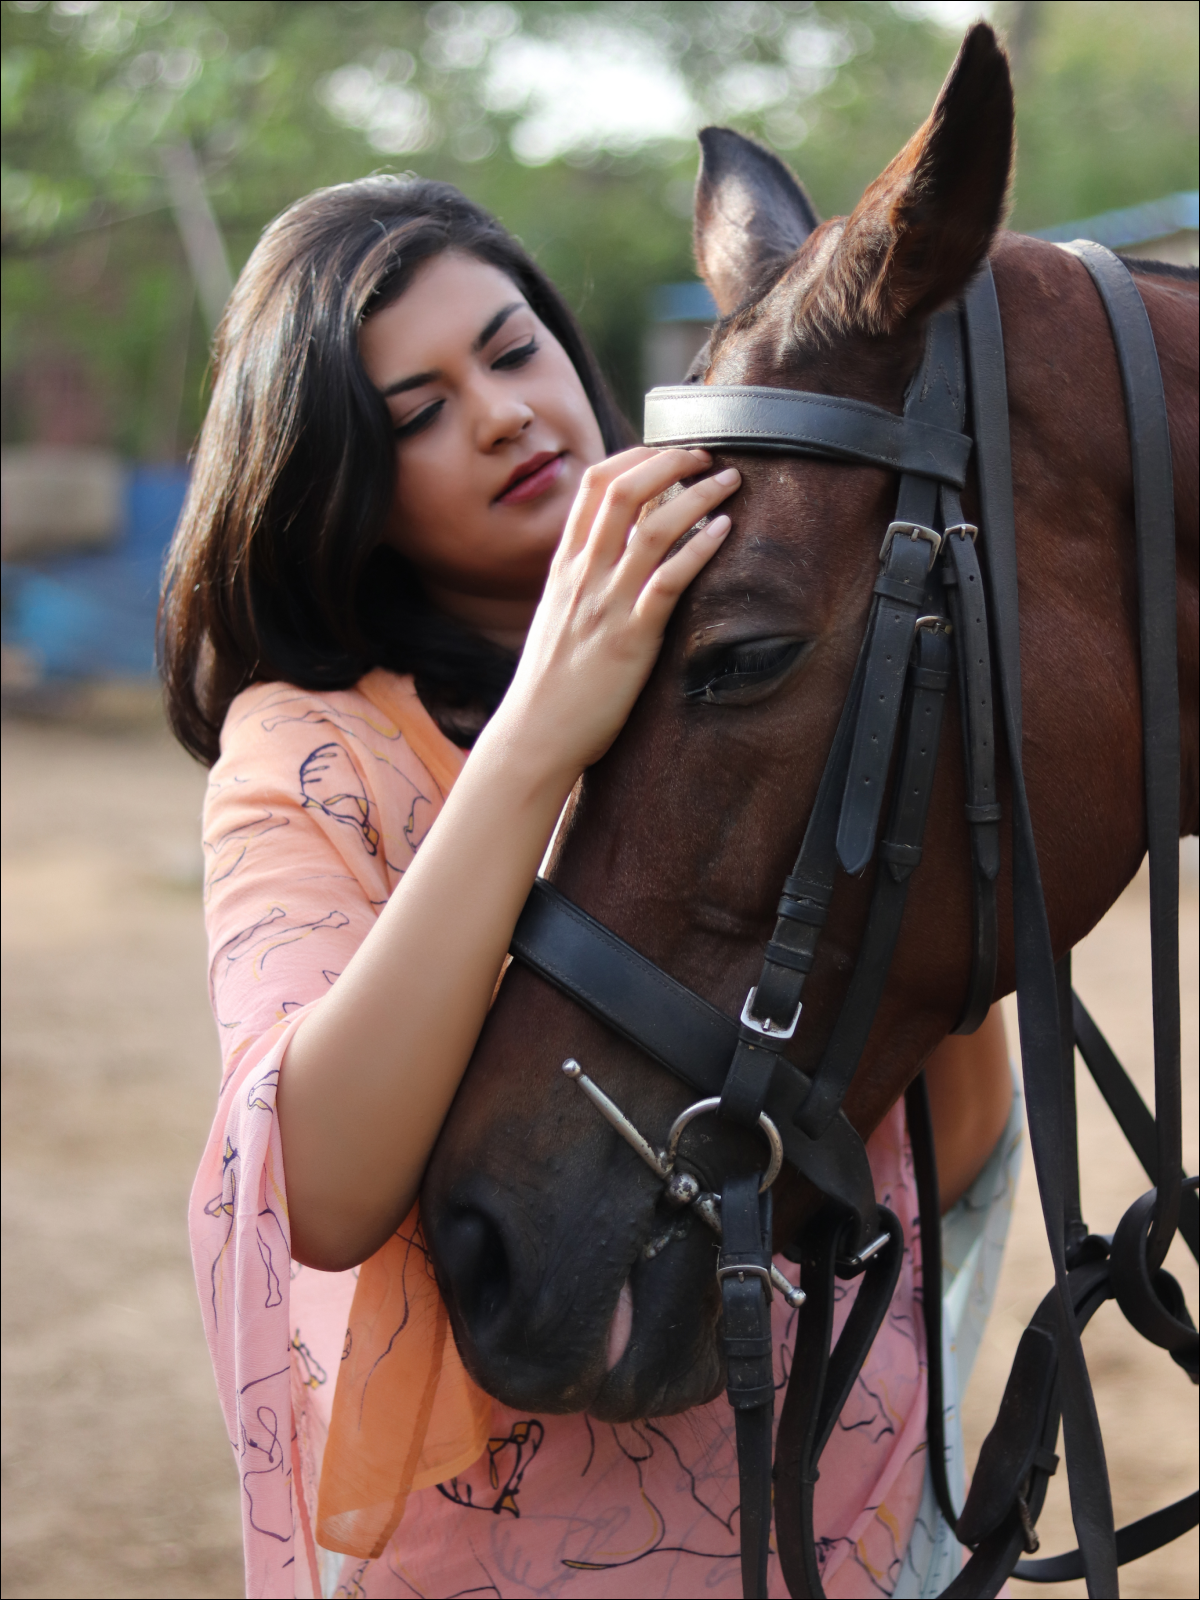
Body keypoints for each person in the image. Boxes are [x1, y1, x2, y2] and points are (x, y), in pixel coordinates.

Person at [165, 174, 1019, 1600]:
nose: (500, 413)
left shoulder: (769, 643)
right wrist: (541, 732)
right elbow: (312, 1186)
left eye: (511, 351)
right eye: (415, 413)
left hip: (836, 1522)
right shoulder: (310, 750)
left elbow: (950, 1142)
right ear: (338, 487)